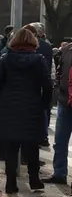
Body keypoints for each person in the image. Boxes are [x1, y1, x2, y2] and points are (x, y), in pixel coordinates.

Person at [0, 28, 53, 194]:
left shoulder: (6, 59)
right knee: (32, 146)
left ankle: (10, 183)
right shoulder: (39, 60)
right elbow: (47, 86)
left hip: (9, 106)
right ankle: (34, 180)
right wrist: (44, 105)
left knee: (11, 146)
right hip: (32, 106)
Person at [45, 40, 72, 187]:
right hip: (65, 100)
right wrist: (57, 90)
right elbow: (60, 71)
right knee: (60, 140)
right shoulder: (67, 50)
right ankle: (59, 173)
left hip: (65, 99)